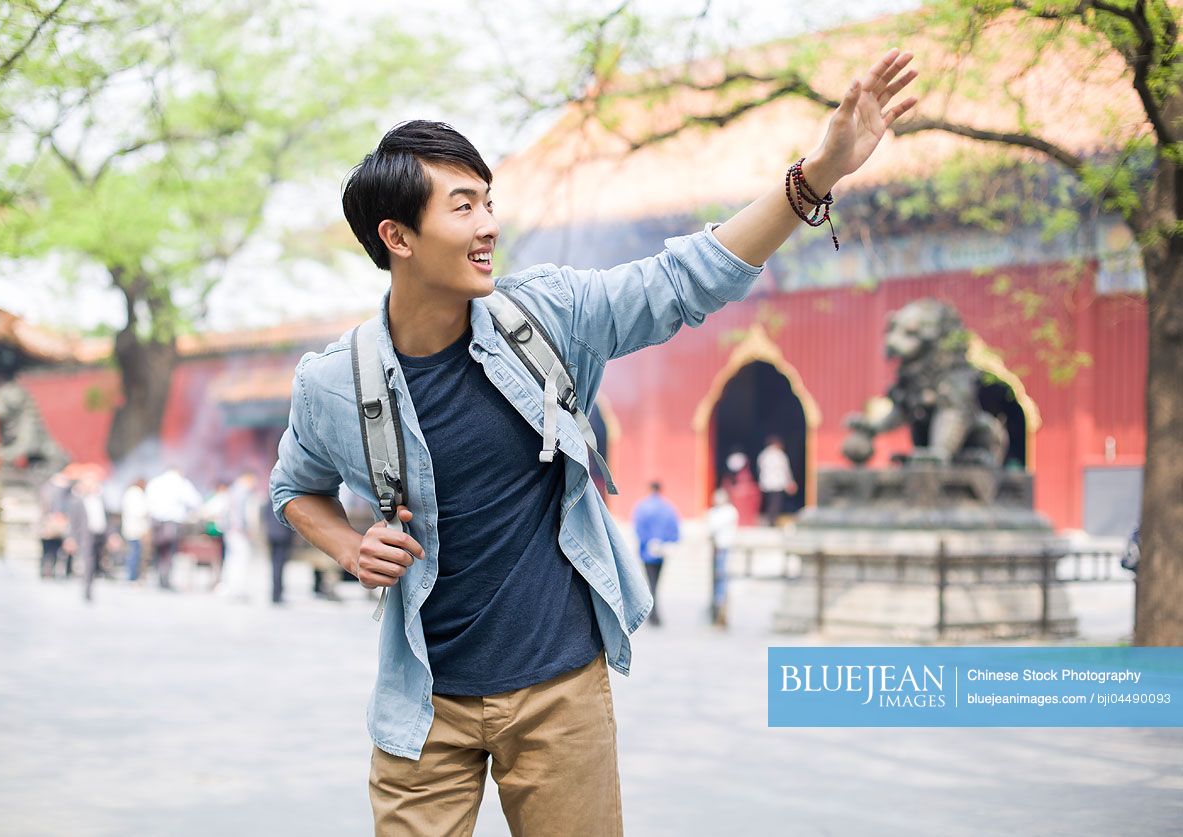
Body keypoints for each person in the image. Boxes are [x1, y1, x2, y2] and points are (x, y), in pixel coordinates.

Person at [270, 49, 917, 836]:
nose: (489, 226)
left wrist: (814, 176)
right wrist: (344, 543)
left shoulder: (548, 314)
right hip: (422, 704)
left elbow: (686, 278)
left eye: (488, 202)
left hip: (559, 692)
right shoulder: (334, 382)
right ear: (397, 237)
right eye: (463, 207)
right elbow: (292, 488)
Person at [145, 466, 203, 591]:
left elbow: (148, 503)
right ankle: (165, 579)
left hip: (156, 523)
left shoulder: (155, 482)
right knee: (169, 552)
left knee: (158, 551)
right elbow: (194, 501)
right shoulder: (181, 483)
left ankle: (159, 577)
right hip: (172, 523)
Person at [632, 481, 681, 627]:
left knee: (651, 582)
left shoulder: (642, 507)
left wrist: (648, 542)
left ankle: (653, 613)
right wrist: (666, 542)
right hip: (662, 551)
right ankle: (655, 614)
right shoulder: (668, 508)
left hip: (647, 551)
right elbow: (674, 528)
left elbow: (638, 528)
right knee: (656, 583)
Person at [217, 472, 259, 600]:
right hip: (239, 533)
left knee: (231, 560)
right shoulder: (243, 492)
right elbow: (243, 514)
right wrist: (246, 529)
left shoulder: (232, 490)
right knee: (240, 561)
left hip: (230, 531)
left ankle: (228, 588)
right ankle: (237, 589)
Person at [705, 488, 739, 627]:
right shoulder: (714, 512)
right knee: (716, 578)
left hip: (724, 546)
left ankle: (720, 605)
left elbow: (713, 526)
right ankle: (716, 605)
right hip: (715, 547)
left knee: (722, 577)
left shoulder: (729, 511)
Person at [757, 435, 798, 527]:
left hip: (766, 483)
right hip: (778, 483)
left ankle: (770, 519)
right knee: (776, 503)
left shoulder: (763, 455)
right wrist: (790, 482)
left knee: (769, 502)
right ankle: (771, 520)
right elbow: (785, 470)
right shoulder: (780, 455)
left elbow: (760, 469)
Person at [37, 470, 71, 578]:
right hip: (52, 523)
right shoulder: (55, 490)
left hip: (50, 524)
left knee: (50, 550)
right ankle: (47, 571)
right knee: (51, 550)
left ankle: (47, 571)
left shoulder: (46, 489)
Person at [263, 491, 295, 605]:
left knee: (275, 565)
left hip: (271, 535)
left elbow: (264, 516)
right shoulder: (286, 499)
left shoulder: (269, 499)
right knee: (279, 566)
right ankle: (277, 594)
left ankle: (275, 594)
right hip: (283, 536)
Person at [120, 479, 149, 582]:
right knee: (135, 553)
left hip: (130, 528)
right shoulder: (136, 494)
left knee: (132, 552)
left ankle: (132, 575)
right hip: (136, 529)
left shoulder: (128, 493)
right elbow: (140, 511)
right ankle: (133, 576)